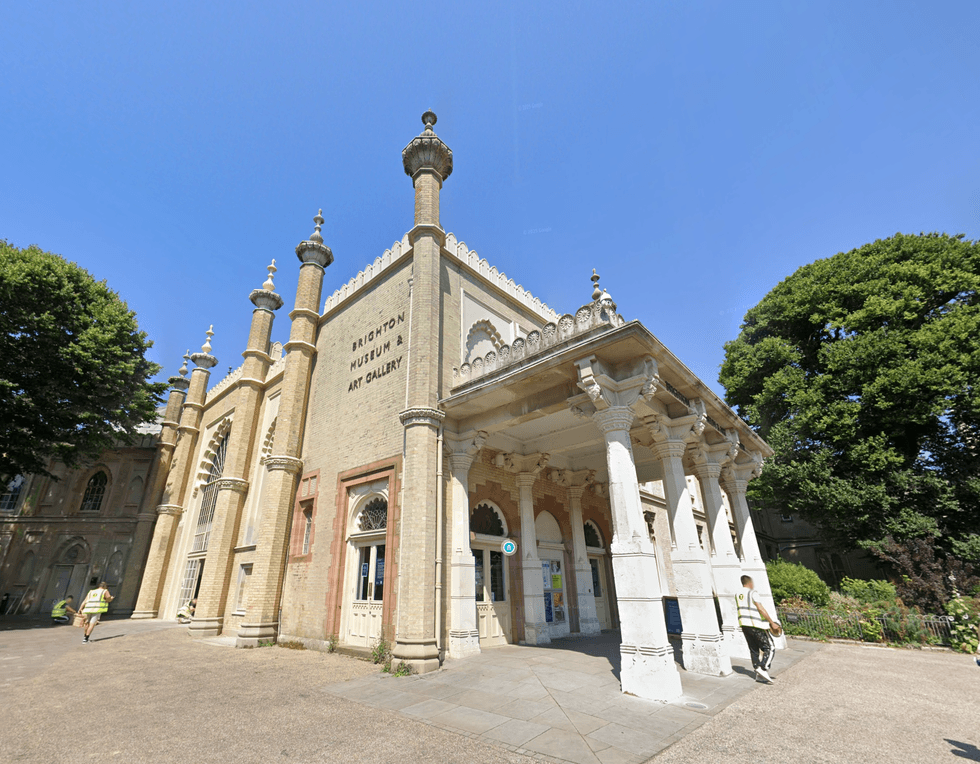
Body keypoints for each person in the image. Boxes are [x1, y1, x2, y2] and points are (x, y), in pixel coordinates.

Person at [736, 574, 780, 684]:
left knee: (754, 649)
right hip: (754, 623)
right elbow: (760, 608)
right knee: (770, 647)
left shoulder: (737, 594)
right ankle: (763, 668)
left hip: (744, 625)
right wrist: (771, 622)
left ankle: (758, 673)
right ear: (750, 583)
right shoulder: (752, 593)